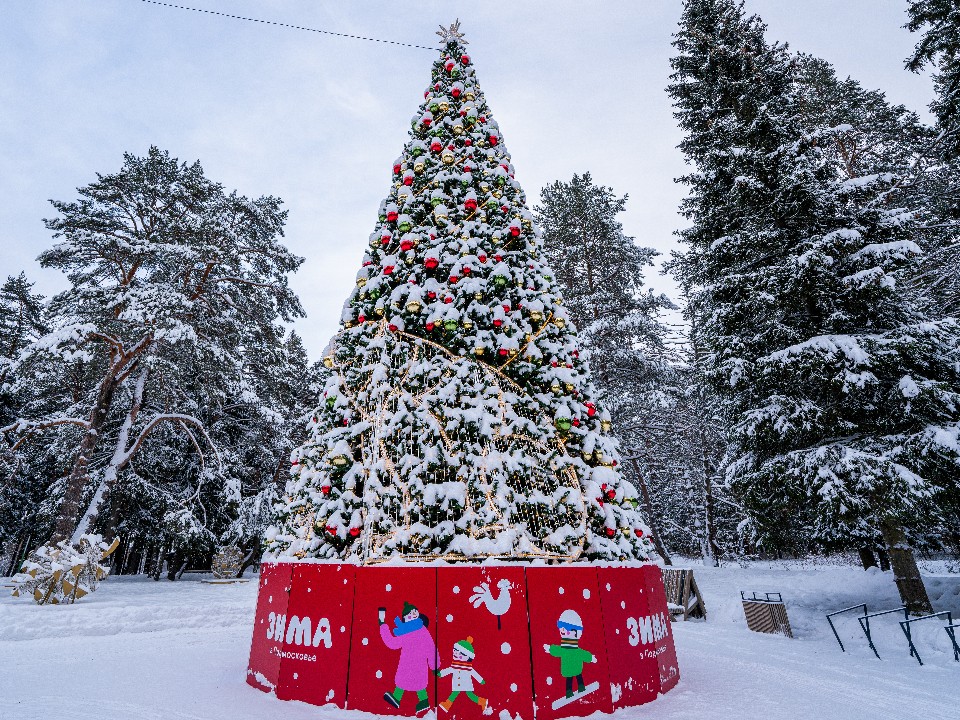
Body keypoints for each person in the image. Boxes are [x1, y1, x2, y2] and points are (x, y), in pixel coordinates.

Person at [380, 601, 437, 713]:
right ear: (405, 619)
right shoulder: (410, 632)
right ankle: (419, 700)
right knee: (414, 682)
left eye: (414, 613)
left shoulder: (415, 632)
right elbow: (392, 643)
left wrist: (382, 625)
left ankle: (402, 699)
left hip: (410, 664)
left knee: (408, 681)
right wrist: (434, 666)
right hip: (413, 664)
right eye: (409, 615)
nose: (412, 616)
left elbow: (431, 648)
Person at [543, 609, 596, 699]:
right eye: (561, 628)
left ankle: (576, 689)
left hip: (570, 668)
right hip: (573, 667)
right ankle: (572, 690)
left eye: (566, 629)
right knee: (573, 677)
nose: (563, 631)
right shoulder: (567, 649)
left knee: (574, 677)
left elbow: (582, 653)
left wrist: (591, 657)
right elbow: (558, 650)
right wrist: (550, 649)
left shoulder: (572, 650)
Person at [438, 636, 487, 713]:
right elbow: (449, 670)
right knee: (455, 693)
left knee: (470, 695)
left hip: (466, 683)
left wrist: (480, 680)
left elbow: (474, 673)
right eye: (455, 651)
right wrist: (441, 673)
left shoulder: (468, 667)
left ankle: (482, 701)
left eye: (460, 653)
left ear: (468, 657)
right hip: (457, 683)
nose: (456, 653)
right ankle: (447, 705)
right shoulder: (455, 665)